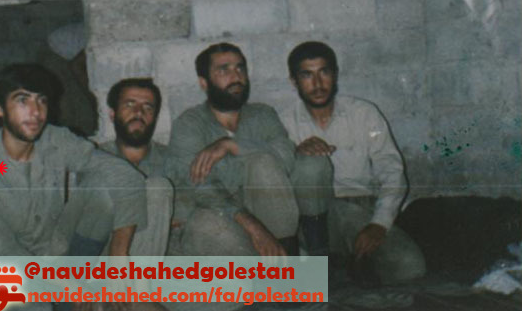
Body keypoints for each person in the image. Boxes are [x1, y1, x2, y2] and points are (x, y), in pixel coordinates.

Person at [0, 63, 147, 257]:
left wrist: (119, 252)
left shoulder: (56, 140)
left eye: (42, 100)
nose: (36, 112)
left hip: (56, 252)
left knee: (105, 185)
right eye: (22, 100)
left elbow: (124, 173)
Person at [286, 41, 426, 284]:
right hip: (312, 218)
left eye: (324, 72)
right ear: (294, 81)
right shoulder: (284, 122)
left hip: (360, 212)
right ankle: (330, 264)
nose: (317, 84)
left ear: (336, 74)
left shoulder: (363, 113)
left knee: (409, 267)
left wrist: (379, 223)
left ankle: (339, 265)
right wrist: (297, 153)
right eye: (307, 75)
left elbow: (391, 170)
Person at [168, 43, 299, 256]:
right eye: (224, 70)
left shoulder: (263, 114)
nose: (236, 76)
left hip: (270, 218)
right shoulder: (189, 124)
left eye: (240, 68)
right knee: (207, 225)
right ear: (204, 82)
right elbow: (200, 187)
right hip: (223, 217)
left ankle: (285, 261)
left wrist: (232, 146)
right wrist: (253, 226)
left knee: (263, 162)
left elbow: (285, 158)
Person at [100, 78, 173, 256]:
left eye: (148, 107)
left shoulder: (172, 160)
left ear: (155, 118)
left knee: (156, 188)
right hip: (104, 257)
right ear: (112, 114)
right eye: (130, 105)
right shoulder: (94, 159)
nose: (139, 112)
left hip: (157, 253)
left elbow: (185, 212)